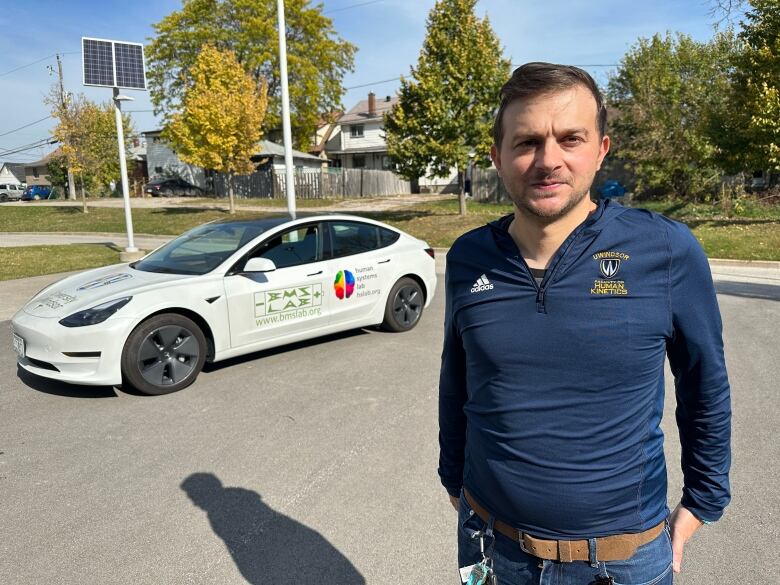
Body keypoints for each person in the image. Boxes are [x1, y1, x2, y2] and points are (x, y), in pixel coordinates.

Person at [438, 62, 731, 585]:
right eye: (526, 141)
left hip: (620, 560)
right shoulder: (468, 258)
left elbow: (704, 383)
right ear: (497, 158)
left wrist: (702, 502)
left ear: (600, 150)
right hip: (492, 547)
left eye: (570, 138)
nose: (548, 161)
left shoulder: (665, 251)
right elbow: (457, 379)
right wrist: (454, 480)